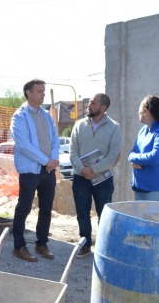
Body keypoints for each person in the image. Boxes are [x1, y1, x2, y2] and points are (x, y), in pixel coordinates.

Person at [10, 79, 60, 262]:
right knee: (23, 208)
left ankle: (41, 244)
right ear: (28, 93)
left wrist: (51, 161)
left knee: (46, 209)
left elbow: (55, 138)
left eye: (43, 91)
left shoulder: (46, 115)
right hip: (30, 171)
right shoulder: (19, 116)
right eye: (39, 91)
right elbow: (23, 145)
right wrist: (46, 160)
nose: (43, 94)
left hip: (48, 170)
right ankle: (19, 246)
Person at [70, 93, 122, 258]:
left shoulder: (114, 127)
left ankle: (105, 246)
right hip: (80, 177)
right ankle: (85, 244)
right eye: (89, 103)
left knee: (104, 213)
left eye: (93, 103)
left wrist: (94, 170)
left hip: (103, 179)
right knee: (82, 212)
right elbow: (73, 152)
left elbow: (113, 156)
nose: (89, 105)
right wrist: (82, 169)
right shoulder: (79, 125)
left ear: (103, 107)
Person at [128, 95, 159, 202]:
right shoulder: (143, 130)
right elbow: (132, 152)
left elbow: (156, 157)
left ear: (145, 111)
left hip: (157, 189)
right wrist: (133, 158)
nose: (138, 112)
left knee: (153, 219)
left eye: (139, 109)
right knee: (141, 219)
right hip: (140, 187)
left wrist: (135, 159)